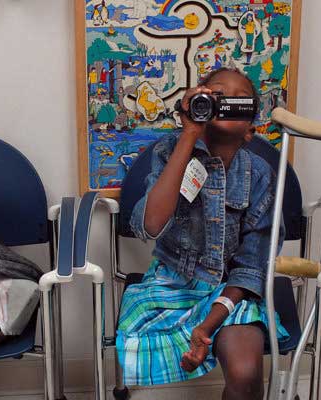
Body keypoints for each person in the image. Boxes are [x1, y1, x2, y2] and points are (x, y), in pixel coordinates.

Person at [116, 68, 289, 400]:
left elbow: (253, 265)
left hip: (232, 290)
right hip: (172, 283)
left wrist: (209, 323)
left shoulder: (260, 175)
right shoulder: (169, 151)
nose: (226, 102)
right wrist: (189, 133)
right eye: (216, 96)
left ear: (250, 129)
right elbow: (150, 226)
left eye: (238, 100)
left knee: (246, 375)